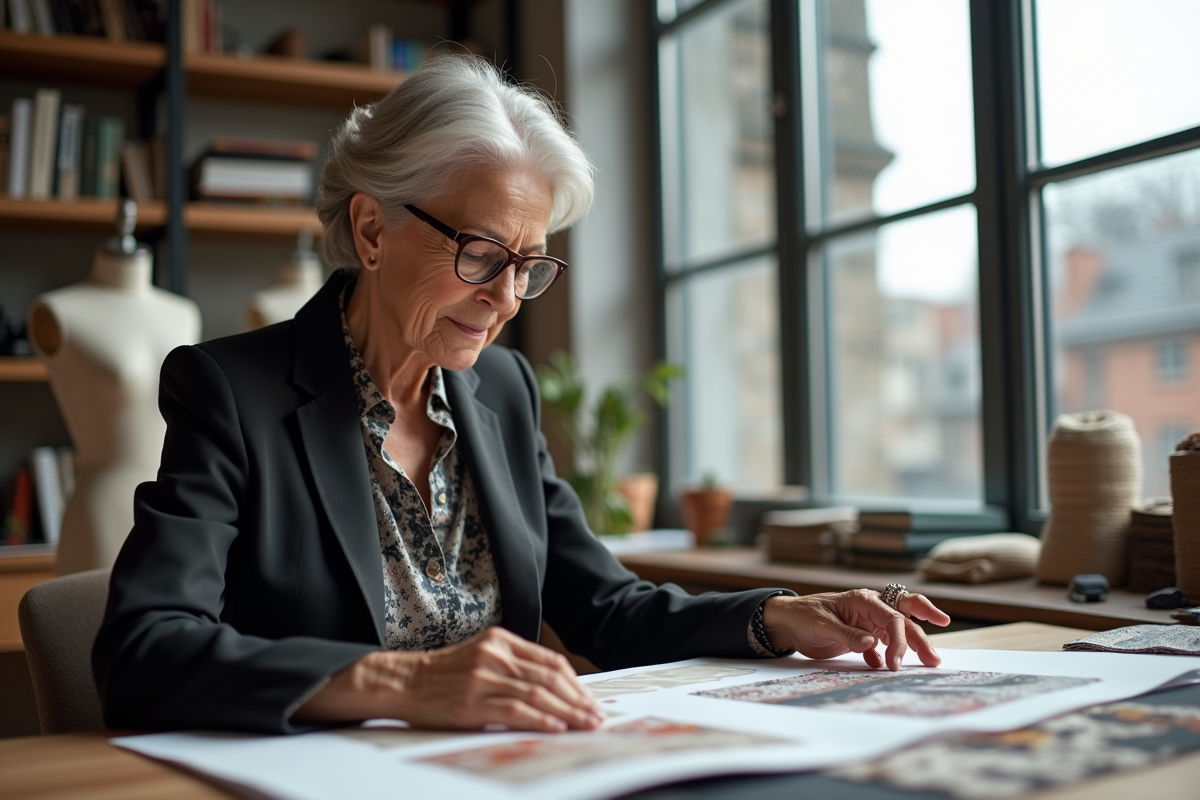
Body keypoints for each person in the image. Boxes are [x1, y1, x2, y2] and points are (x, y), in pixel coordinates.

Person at [93, 56, 950, 736]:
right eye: (479, 252)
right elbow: (143, 649)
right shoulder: (229, 392)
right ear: (370, 229)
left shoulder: (500, 389)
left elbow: (607, 609)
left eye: (528, 265)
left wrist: (779, 617)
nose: (506, 298)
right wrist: (404, 682)